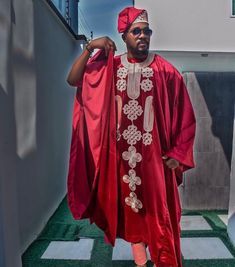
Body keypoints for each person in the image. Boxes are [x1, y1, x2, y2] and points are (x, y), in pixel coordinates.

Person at [66, 6, 196, 267]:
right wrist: (91, 46)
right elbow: (74, 79)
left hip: (154, 161)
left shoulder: (166, 71)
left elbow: (185, 116)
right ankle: (140, 262)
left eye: (147, 31)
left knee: (160, 220)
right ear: (123, 36)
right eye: (136, 31)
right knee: (130, 214)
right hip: (120, 160)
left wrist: (177, 154)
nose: (143, 36)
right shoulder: (110, 67)